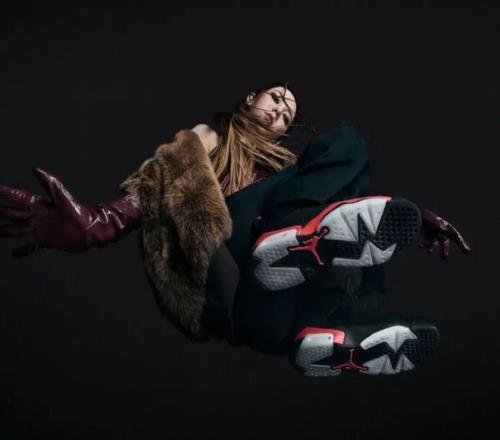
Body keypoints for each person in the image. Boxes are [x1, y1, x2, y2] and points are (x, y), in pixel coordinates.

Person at [0, 83, 471, 377]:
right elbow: (162, 178)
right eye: (276, 99)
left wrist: (411, 216)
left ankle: (349, 327)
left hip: (272, 322)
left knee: (346, 150)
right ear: (250, 98)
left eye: (288, 113)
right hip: (228, 273)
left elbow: (355, 211)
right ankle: (301, 250)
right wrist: (100, 224)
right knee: (334, 163)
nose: (280, 112)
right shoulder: (211, 138)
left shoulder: (293, 174)